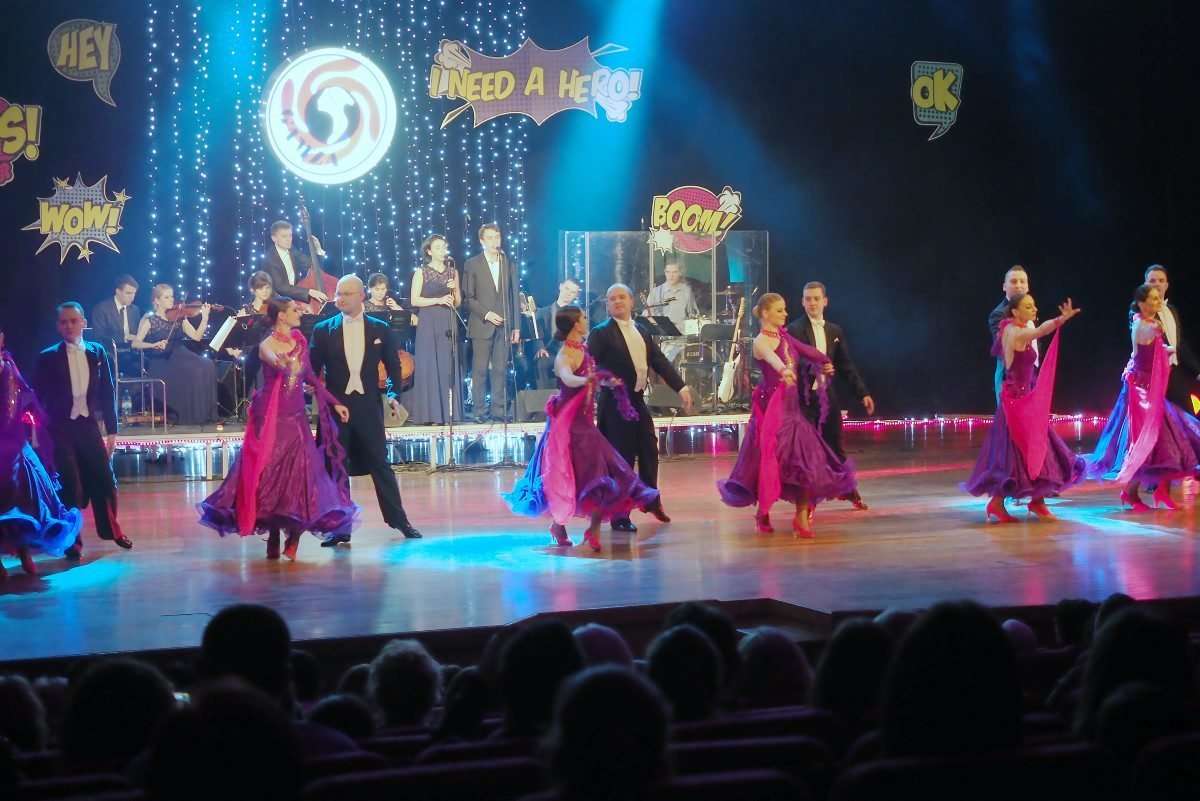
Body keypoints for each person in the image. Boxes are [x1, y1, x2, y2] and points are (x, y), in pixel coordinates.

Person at [198, 298, 357, 560]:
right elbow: (279, 365)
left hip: (296, 420)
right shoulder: (265, 346)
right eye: (295, 310)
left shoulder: (300, 343)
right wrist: (288, 366)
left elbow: (312, 379)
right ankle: (273, 534)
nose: (300, 313)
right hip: (271, 419)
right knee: (271, 476)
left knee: (300, 478)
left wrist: (335, 403)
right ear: (282, 316)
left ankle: (294, 537)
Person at [503, 307, 659, 551]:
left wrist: (606, 381)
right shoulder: (564, 354)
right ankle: (558, 526)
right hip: (567, 429)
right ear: (575, 324)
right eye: (583, 318)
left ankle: (592, 530)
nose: (587, 320)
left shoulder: (583, 350)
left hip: (585, 427)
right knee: (567, 477)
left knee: (599, 478)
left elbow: (592, 376)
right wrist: (586, 380)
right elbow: (568, 377)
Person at [720, 292, 857, 536]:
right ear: (765, 314)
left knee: (804, 461)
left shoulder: (784, 336)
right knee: (766, 462)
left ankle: (801, 518)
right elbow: (772, 358)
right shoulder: (760, 341)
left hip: (792, 411)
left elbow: (807, 350)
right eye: (779, 310)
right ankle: (763, 512)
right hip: (771, 412)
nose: (785, 314)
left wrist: (825, 360)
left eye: (784, 309)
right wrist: (784, 370)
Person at [310, 275, 422, 541]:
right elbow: (312, 369)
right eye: (338, 294)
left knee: (380, 464)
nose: (340, 299)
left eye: (346, 294)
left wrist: (393, 394)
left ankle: (399, 520)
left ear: (361, 296)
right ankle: (340, 527)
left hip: (368, 406)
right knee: (335, 466)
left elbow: (393, 366)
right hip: (336, 408)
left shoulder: (380, 328)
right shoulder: (323, 330)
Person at [964, 293, 1083, 521]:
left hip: (1024, 400)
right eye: (1028, 307)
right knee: (1019, 453)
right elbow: (1040, 331)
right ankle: (1004, 503)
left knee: (1034, 450)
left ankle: (1035, 501)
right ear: (1015, 312)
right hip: (1017, 404)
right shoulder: (1015, 332)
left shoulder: (1014, 328)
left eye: (1034, 305)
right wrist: (1061, 319)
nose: (1034, 309)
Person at [586, 284, 694, 533]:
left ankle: (650, 500)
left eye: (621, 297)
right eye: (612, 299)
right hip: (614, 403)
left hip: (636, 400)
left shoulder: (642, 331)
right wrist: (602, 380)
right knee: (621, 460)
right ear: (607, 305)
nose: (617, 301)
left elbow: (659, 361)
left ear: (631, 301)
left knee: (649, 449)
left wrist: (681, 387)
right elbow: (589, 364)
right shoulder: (600, 333)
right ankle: (619, 514)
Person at [1087, 284, 1200, 510]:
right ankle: (1130, 493)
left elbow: (1147, 352)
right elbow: (1148, 352)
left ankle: (1160, 491)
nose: (1158, 302)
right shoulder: (1144, 324)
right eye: (1153, 299)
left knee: (1168, 441)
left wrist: (1165, 348)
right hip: (1143, 393)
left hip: (1150, 388)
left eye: (1159, 298)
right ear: (1142, 303)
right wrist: (1163, 342)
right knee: (1150, 442)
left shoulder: (1144, 322)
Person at [33, 303, 131, 557]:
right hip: (60, 428)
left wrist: (112, 431)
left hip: (87, 426)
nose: (69, 326)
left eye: (73, 321)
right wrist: (36, 433)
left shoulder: (97, 353)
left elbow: (108, 392)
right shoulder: (48, 357)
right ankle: (72, 541)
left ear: (83, 323)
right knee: (70, 485)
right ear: (58, 326)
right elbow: (37, 397)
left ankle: (112, 530)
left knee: (104, 479)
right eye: (64, 322)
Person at [1, 329, 82, 577]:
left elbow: (22, 401)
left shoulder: (8, 367)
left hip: (12, 441)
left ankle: (23, 550)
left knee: (26, 497)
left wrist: (26, 423)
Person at [787, 281, 874, 510]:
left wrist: (862, 393)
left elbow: (846, 365)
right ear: (802, 302)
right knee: (807, 452)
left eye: (816, 298)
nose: (812, 303)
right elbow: (793, 362)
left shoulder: (835, 331)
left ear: (825, 301)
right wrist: (815, 367)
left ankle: (849, 490)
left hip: (827, 397)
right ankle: (808, 504)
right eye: (808, 299)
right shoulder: (795, 329)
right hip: (804, 399)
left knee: (836, 445)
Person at [132, 283, 218, 426]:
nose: (171, 300)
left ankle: (205, 415)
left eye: (171, 296)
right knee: (196, 369)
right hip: (162, 360)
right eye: (166, 297)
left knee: (208, 365)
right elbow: (135, 343)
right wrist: (153, 345)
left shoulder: (178, 317)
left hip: (181, 354)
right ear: (156, 301)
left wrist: (204, 318)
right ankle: (190, 416)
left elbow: (196, 337)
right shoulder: (150, 320)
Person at [463, 223, 521, 422]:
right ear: (482, 241)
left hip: (504, 325)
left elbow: (514, 297)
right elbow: (468, 298)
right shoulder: (472, 263)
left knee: (500, 369)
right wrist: (487, 314)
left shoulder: (508, 263)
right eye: (489, 237)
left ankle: (499, 410)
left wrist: (516, 326)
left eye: (497, 237)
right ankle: (479, 411)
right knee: (479, 370)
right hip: (482, 323)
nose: (494, 241)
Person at [406, 234, 462, 425]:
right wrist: (438, 300)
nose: (442, 250)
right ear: (429, 251)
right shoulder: (421, 272)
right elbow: (415, 300)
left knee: (447, 364)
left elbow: (458, 302)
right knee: (429, 364)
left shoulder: (452, 272)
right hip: (428, 321)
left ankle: (449, 413)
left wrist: (454, 290)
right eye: (438, 247)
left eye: (443, 246)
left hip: (447, 320)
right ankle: (431, 414)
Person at [1144, 265, 1200, 416]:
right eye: (1152, 281)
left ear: (1166, 285)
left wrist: (1197, 371)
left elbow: (1179, 344)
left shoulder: (1172, 310)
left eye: (1161, 280)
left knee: (1187, 417)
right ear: (1145, 285)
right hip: (1152, 376)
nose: (1157, 284)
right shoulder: (1139, 310)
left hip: (1174, 374)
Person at [987, 265, 1035, 400]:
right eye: (1014, 282)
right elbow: (1002, 348)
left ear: (1027, 287)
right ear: (1004, 286)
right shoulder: (999, 314)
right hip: (1010, 381)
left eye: (1022, 281)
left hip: (1031, 378)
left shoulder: (1030, 310)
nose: (1019, 286)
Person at [260, 219, 328, 308]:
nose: (288, 239)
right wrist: (309, 292)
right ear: (274, 238)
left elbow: (310, 264)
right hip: (277, 304)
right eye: (284, 236)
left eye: (290, 235)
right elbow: (280, 287)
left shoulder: (292, 250)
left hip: (294, 299)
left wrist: (318, 250)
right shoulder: (270, 259)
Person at [530, 278, 582, 389]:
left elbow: (583, 337)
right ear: (560, 286)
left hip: (571, 354)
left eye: (572, 292)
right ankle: (545, 397)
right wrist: (540, 348)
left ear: (576, 295)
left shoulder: (579, 315)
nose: (568, 294)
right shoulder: (543, 312)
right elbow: (536, 334)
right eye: (567, 289)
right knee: (542, 362)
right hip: (550, 352)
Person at [643, 255, 699, 330]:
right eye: (668, 272)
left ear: (680, 273)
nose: (671, 275)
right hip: (663, 334)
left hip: (682, 334)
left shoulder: (686, 291)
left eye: (674, 272)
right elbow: (646, 315)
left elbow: (693, 315)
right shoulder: (655, 292)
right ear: (664, 272)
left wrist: (690, 331)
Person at [90, 274, 141, 352]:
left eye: (134, 293)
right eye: (128, 293)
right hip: (111, 354)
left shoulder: (135, 310)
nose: (132, 297)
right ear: (118, 291)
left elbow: (138, 334)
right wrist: (123, 340)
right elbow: (98, 337)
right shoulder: (102, 309)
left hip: (133, 353)